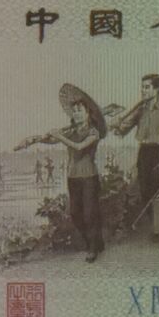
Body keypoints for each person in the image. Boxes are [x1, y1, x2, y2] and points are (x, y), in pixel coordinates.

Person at [17, 100, 104, 262]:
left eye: (79, 110)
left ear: (88, 114)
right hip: (72, 177)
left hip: (89, 177)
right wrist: (33, 140)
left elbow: (79, 146)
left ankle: (93, 247)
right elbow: (51, 140)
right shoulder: (70, 131)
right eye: (74, 111)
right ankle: (94, 241)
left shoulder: (94, 132)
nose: (76, 114)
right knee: (75, 213)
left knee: (89, 213)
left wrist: (60, 136)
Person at [112, 73, 159, 249]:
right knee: (146, 191)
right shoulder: (140, 110)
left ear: (157, 89)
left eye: (147, 87)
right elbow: (121, 130)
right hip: (144, 153)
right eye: (142, 87)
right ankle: (157, 227)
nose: (143, 91)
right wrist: (116, 124)